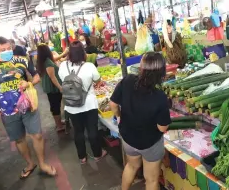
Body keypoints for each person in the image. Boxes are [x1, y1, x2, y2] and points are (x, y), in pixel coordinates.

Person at [0, 37, 56, 178]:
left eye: (9, 48)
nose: (7, 51)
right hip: (8, 111)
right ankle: (30, 163)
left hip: (28, 105)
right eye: (3, 50)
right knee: (19, 139)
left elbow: (37, 76)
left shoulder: (22, 60)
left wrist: (29, 84)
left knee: (37, 135)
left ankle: (42, 164)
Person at [110, 52, 171, 190]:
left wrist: (120, 116)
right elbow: (162, 128)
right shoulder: (159, 97)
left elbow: (113, 104)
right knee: (151, 180)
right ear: (161, 73)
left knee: (131, 166)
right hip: (150, 143)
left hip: (128, 138)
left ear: (142, 67)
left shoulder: (128, 80)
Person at [58, 41, 107, 164]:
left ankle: (82, 157)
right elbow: (98, 81)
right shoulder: (89, 66)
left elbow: (62, 79)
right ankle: (97, 154)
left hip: (71, 105)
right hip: (89, 104)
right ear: (83, 53)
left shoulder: (63, 66)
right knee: (92, 130)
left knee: (78, 131)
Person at [36, 44, 65, 132]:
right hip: (53, 88)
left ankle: (59, 122)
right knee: (55, 106)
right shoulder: (48, 62)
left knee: (55, 105)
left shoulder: (42, 61)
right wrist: (60, 87)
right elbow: (53, 77)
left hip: (50, 87)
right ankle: (59, 126)